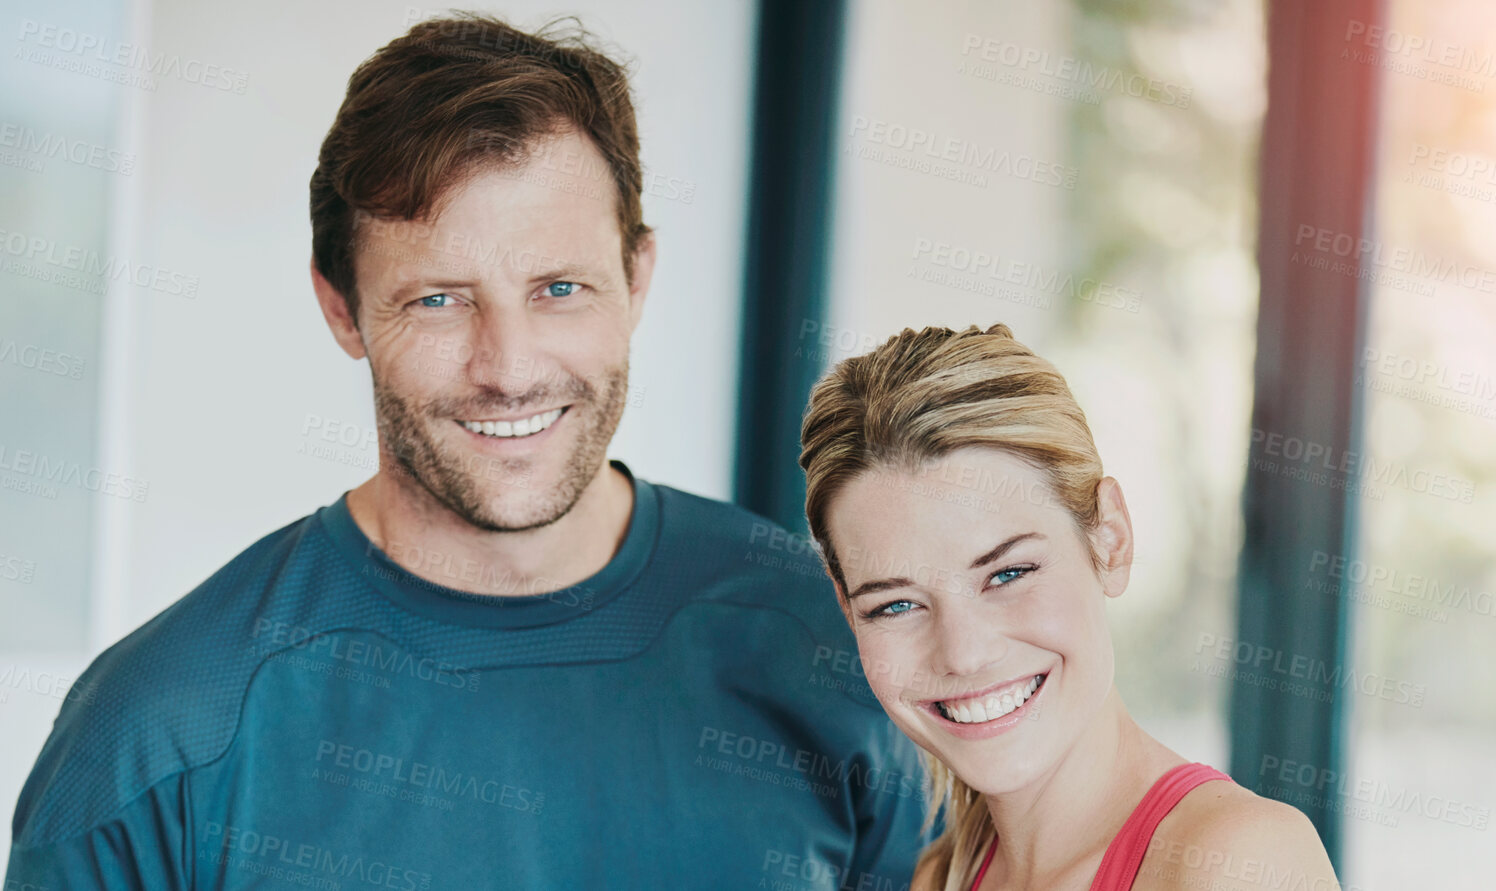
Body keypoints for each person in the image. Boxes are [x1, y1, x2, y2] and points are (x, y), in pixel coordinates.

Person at [5, 14, 922, 889]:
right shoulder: (159, 731)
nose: (508, 368)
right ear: (341, 309)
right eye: (438, 299)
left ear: (637, 279)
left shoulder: (839, 654)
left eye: (560, 287)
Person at [797, 324, 1341, 891]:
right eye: (896, 605)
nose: (963, 653)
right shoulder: (941, 875)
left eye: (1007, 573)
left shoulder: (1237, 860)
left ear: (1111, 539)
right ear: (846, 606)